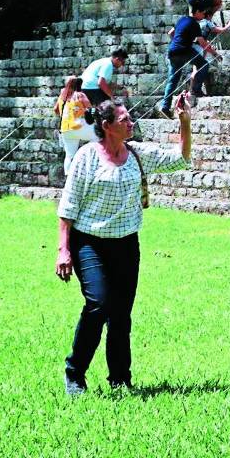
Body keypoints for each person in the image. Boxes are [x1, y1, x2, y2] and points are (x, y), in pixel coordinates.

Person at [56, 94, 194, 395]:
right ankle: (75, 372)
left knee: (121, 314)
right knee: (98, 305)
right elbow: (68, 206)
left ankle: (120, 378)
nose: (131, 122)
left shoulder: (136, 153)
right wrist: (63, 250)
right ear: (107, 126)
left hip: (126, 245)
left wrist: (184, 121)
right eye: (124, 120)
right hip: (89, 243)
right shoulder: (86, 157)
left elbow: (180, 159)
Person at [159, 4, 221, 117]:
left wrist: (179, 40)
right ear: (197, 11)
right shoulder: (194, 24)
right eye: (202, 13)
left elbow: (171, 33)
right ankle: (196, 89)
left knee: (173, 80)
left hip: (172, 50)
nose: (203, 16)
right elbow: (203, 44)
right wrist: (215, 54)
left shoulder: (182, 19)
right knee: (203, 64)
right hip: (184, 50)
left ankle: (165, 106)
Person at [54, 75, 98, 175]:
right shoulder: (80, 95)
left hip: (65, 129)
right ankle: (93, 162)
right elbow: (91, 110)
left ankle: (68, 177)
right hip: (78, 127)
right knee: (99, 136)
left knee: (69, 155)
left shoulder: (62, 97)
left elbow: (55, 110)